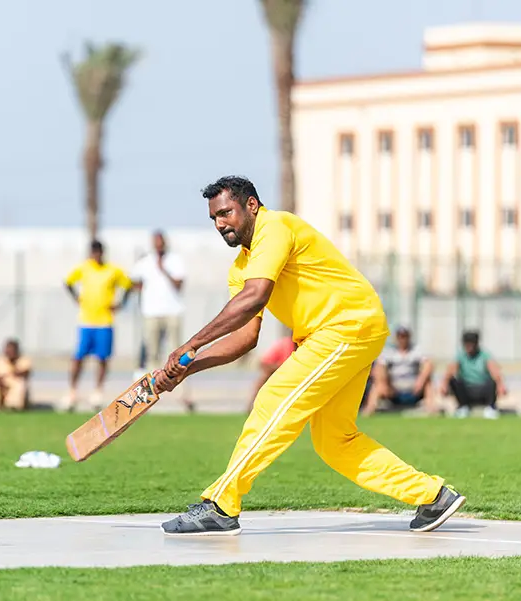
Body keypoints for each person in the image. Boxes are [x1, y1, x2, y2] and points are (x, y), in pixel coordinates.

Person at [152, 176, 465, 536]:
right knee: (334, 441)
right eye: (214, 218)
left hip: (345, 326)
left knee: (273, 398)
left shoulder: (275, 227)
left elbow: (255, 296)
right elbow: (245, 337)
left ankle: (221, 505)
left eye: (226, 212)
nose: (220, 223)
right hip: (345, 333)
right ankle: (432, 496)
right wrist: (190, 367)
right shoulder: (241, 268)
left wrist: (191, 344)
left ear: (251, 205)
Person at [64, 240, 133, 410]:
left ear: (102, 252)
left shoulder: (112, 270)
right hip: (86, 321)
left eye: (98, 252)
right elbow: (68, 282)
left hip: (105, 321)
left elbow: (128, 285)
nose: (96, 255)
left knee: (102, 358)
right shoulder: (84, 268)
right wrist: (76, 298)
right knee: (78, 357)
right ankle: (72, 391)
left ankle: (97, 391)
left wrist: (121, 303)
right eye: (93, 252)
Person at [131, 230, 194, 412]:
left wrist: (163, 269)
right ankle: (150, 393)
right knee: (152, 354)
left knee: (179, 355)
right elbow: (135, 282)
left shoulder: (174, 260)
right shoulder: (145, 262)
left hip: (172, 311)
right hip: (152, 312)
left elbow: (179, 284)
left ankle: (183, 394)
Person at [361, 325, 437, 416]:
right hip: (394, 388)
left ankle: (431, 409)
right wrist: (383, 382)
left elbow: (429, 364)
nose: (402, 339)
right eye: (400, 336)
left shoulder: (416, 350)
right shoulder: (389, 351)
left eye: (404, 336)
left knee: (428, 383)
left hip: (414, 387)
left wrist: (421, 380)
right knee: (377, 385)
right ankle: (370, 409)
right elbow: (379, 367)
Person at [439, 330, 507, 419]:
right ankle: (463, 407)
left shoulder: (485, 355)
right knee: (454, 381)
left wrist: (500, 385)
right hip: (466, 389)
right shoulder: (460, 355)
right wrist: (444, 385)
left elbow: (494, 371)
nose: (469, 347)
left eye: (471, 344)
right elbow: (450, 370)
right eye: (467, 344)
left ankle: (490, 408)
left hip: (482, 388)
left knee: (492, 381)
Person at [245, 335, 297, 413]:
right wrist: (282, 368)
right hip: (280, 376)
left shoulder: (307, 346)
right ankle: (254, 404)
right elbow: (264, 363)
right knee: (265, 376)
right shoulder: (283, 344)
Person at [0, 338, 32, 411]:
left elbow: (24, 373)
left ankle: (13, 406)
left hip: (12, 387)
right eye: (8, 349)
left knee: (20, 382)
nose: (10, 352)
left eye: (13, 350)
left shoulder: (23, 361)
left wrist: (12, 364)